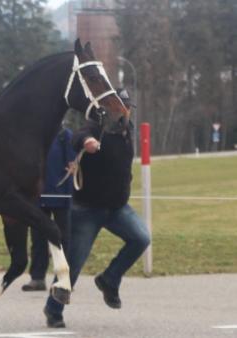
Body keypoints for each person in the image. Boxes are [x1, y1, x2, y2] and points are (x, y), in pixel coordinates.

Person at [43, 89, 151, 328]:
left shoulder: (127, 128)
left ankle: (109, 280)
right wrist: (87, 142)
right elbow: (78, 136)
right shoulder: (96, 126)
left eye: (125, 106)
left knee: (141, 238)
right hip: (87, 210)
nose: (122, 110)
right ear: (108, 107)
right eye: (117, 106)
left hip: (117, 208)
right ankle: (53, 309)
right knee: (73, 265)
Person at [21, 125, 76, 292]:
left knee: (63, 238)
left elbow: (73, 164)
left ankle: (64, 278)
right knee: (37, 238)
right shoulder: (33, 135)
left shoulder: (64, 136)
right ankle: (37, 278)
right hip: (37, 196)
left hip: (61, 195)